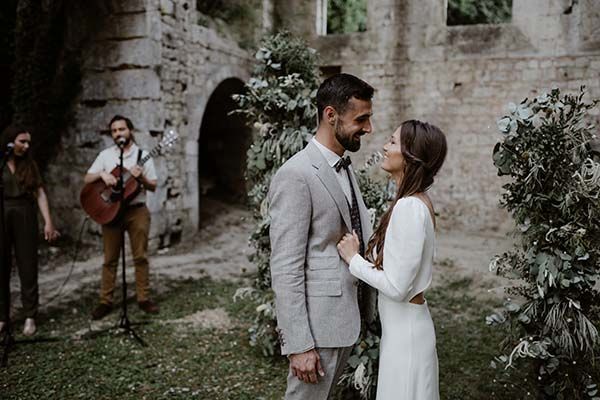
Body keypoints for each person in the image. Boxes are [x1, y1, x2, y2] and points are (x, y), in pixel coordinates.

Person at [269, 73, 376, 399]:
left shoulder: (344, 166)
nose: (369, 128)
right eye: (362, 119)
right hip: (317, 328)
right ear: (331, 115)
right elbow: (285, 265)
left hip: (344, 319)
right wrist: (299, 344)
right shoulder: (295, 175)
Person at [337, 120, 447, 400]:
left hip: (406, 337)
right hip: (402, 330)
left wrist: (354, 260)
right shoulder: (412, 201)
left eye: (393, 142)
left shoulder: (409, 207)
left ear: (411, 155)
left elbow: (397, 288)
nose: (385, 147)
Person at [84, 115, 159, 320]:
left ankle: (143, 298)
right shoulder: (106, 155)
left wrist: (140, 177)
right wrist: (102, 175)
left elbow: (153, 185)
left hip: (137, 210)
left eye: (122, 129)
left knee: (140, 256)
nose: (118, 133)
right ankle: (105, 301)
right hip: (111, 212)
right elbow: (87, 177)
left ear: (130, 131)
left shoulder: (144, 156)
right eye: (114, 131)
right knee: (109, 259)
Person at [0, 126, 60, 336]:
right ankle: (2, 317)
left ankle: (30, 316)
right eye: (22, 142)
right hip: (2, 211)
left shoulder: (29, 164)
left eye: (28, 143)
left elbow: (40, 193)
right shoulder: (1, 163)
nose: (26, 146)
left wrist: (48, 222)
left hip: (25, 212)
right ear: (10, 142)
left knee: (28, 265)